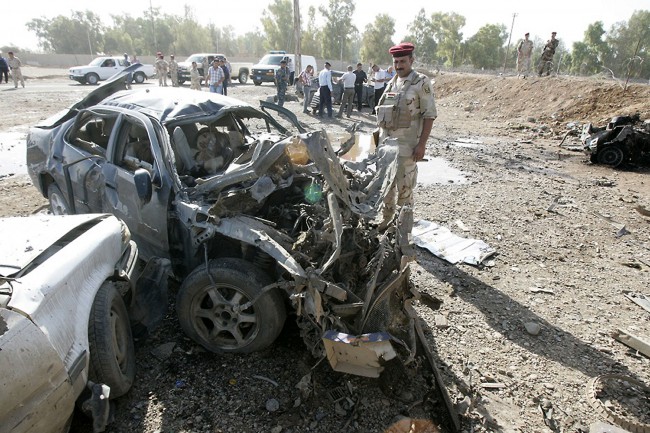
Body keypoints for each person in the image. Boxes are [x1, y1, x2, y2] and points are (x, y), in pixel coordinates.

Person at [375, 42, 437, 258]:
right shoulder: (392, 82)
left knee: (405, 191)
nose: (399, 65)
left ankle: (404, 234)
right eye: (396, 62)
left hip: (407, 148)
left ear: (411, 60)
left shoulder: (421, 83)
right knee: (387, 188)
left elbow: (429, 115)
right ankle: (387, 222)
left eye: (403, 61)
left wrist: (422, 145)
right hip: (387, 149)